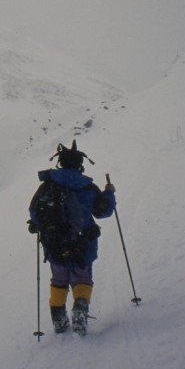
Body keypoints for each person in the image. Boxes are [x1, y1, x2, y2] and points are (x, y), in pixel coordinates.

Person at [27, 141, 116, 335]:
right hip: (83, 242)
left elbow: (34, 212)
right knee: (82, 278)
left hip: (54, 242)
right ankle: (80, 310)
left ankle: (58, 319)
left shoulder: (48, 185)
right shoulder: (88, 186)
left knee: (58, 279)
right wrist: (109, 193)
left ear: (60, 163)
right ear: (79, 164)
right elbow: (103, 211)